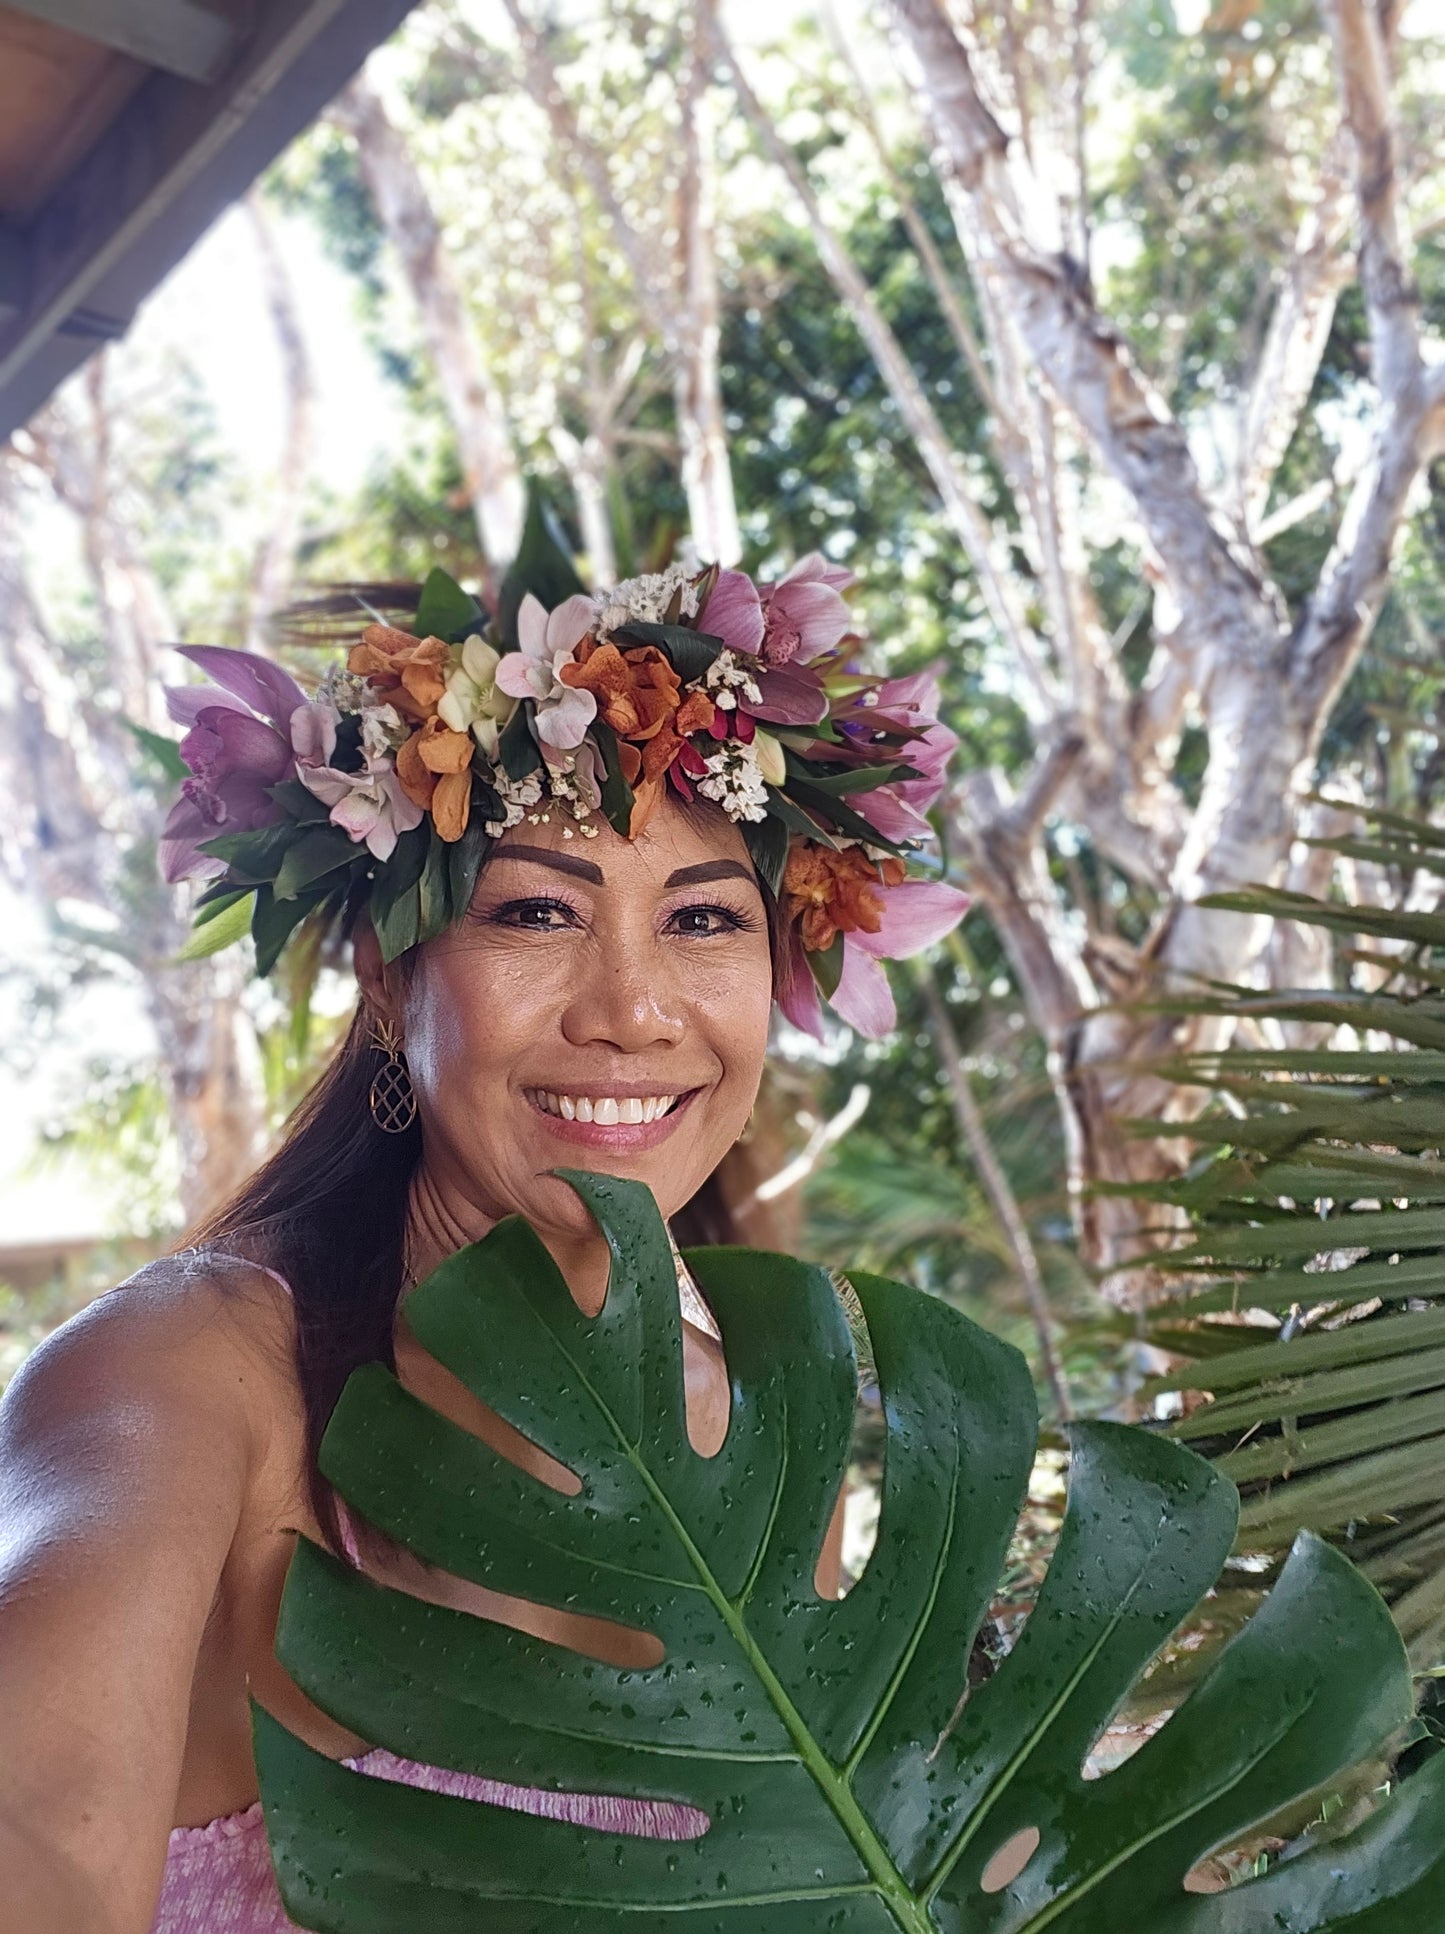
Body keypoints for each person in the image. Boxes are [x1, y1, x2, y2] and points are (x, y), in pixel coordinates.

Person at [0, 553, 965, 1933]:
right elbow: (30, 1820)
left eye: (702, 918)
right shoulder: (188, 1375)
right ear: (393, 983)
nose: (630, 1010)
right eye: (533, 911)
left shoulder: (750, 1429)